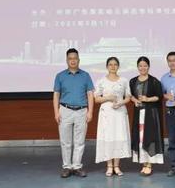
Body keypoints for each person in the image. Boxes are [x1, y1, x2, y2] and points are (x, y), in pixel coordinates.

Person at [53, 48, 95, 178]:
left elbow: (90, 94)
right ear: (67, 60)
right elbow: (56, 95)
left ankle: (77, 166)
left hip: (82, 111)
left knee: (80, 141)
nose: (73, 61)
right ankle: (67, 167)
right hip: (65, 110)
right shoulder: (60, 76)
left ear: (79, 60)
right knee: (65, 141)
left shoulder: (85, 75)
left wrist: (90, 112)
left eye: (75, 58)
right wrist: (56, 112)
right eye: (70, 59)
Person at [95, 57, 132, 176]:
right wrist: (108, 98)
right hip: (106, 113)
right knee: (108, 137)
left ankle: (116, 166)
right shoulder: (101, 81)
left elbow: (128, 97)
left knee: (118, 137)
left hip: (119, 112)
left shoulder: (124, 80)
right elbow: (96, 99)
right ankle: (109, 166)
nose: (113, 67)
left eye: (115, 64)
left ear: (118, 66)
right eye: (110, 64)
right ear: (107, 66)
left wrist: (120, 103)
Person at [129, 56, 164, 176]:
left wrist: (147, 99)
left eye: (145, 66)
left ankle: (149, 164)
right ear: (137, 67)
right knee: (140, 137)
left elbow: (159, 97)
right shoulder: (133, 81)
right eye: (140, 66)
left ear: (148, 67)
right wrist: (134, 100)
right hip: (138, 113)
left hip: (150, 113)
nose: (142, 68)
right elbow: (130, 95)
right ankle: (144, 163)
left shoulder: (154, 81)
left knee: (150, 137)